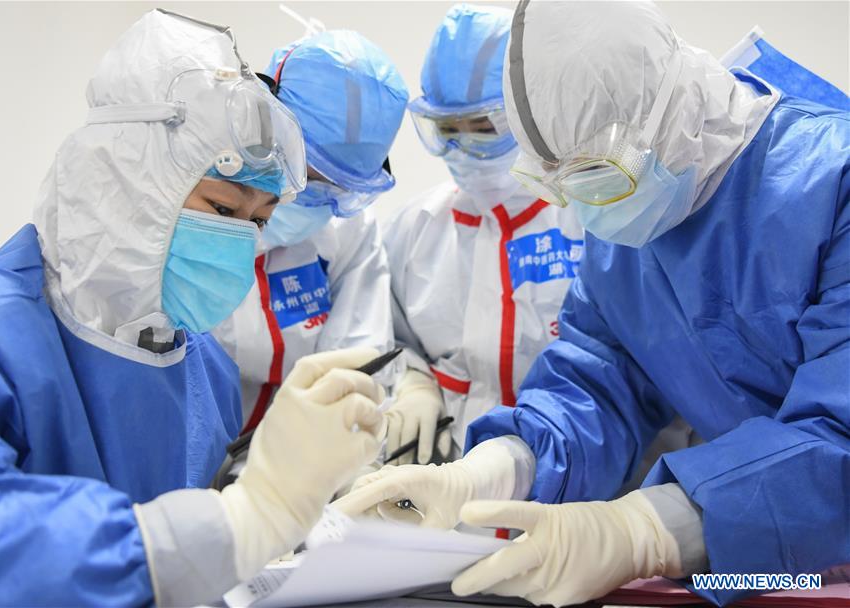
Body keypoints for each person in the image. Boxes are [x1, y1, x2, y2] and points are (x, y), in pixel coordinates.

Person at [336, 1, 850, 606]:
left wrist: (644, 529)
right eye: (556, 185)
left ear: (672, 113)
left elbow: (837, 434)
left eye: (595, 176)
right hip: (739, 567)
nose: (582, 213)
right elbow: (596, 381)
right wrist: (500, 464)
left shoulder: (830, 182)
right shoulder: (628, 230)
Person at [0, 10, 385, 606]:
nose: (243, 244)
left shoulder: (204, 368)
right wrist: (243, 520)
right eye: (225, 211)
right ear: (129, 181)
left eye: (259, 222)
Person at [381, 3, 584, 470]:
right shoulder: (416, 228)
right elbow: (384, 335)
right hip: (446, 494)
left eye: (484, 128)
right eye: (448, 129)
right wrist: (411, 381)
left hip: (576, 488)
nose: (464, 148)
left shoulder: (591, 222)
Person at [213, 29, 408, 435]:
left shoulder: (347, 231)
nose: (309, 196)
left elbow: (358, 361)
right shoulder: (202, 210)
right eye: (304, 173)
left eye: (335, 187)